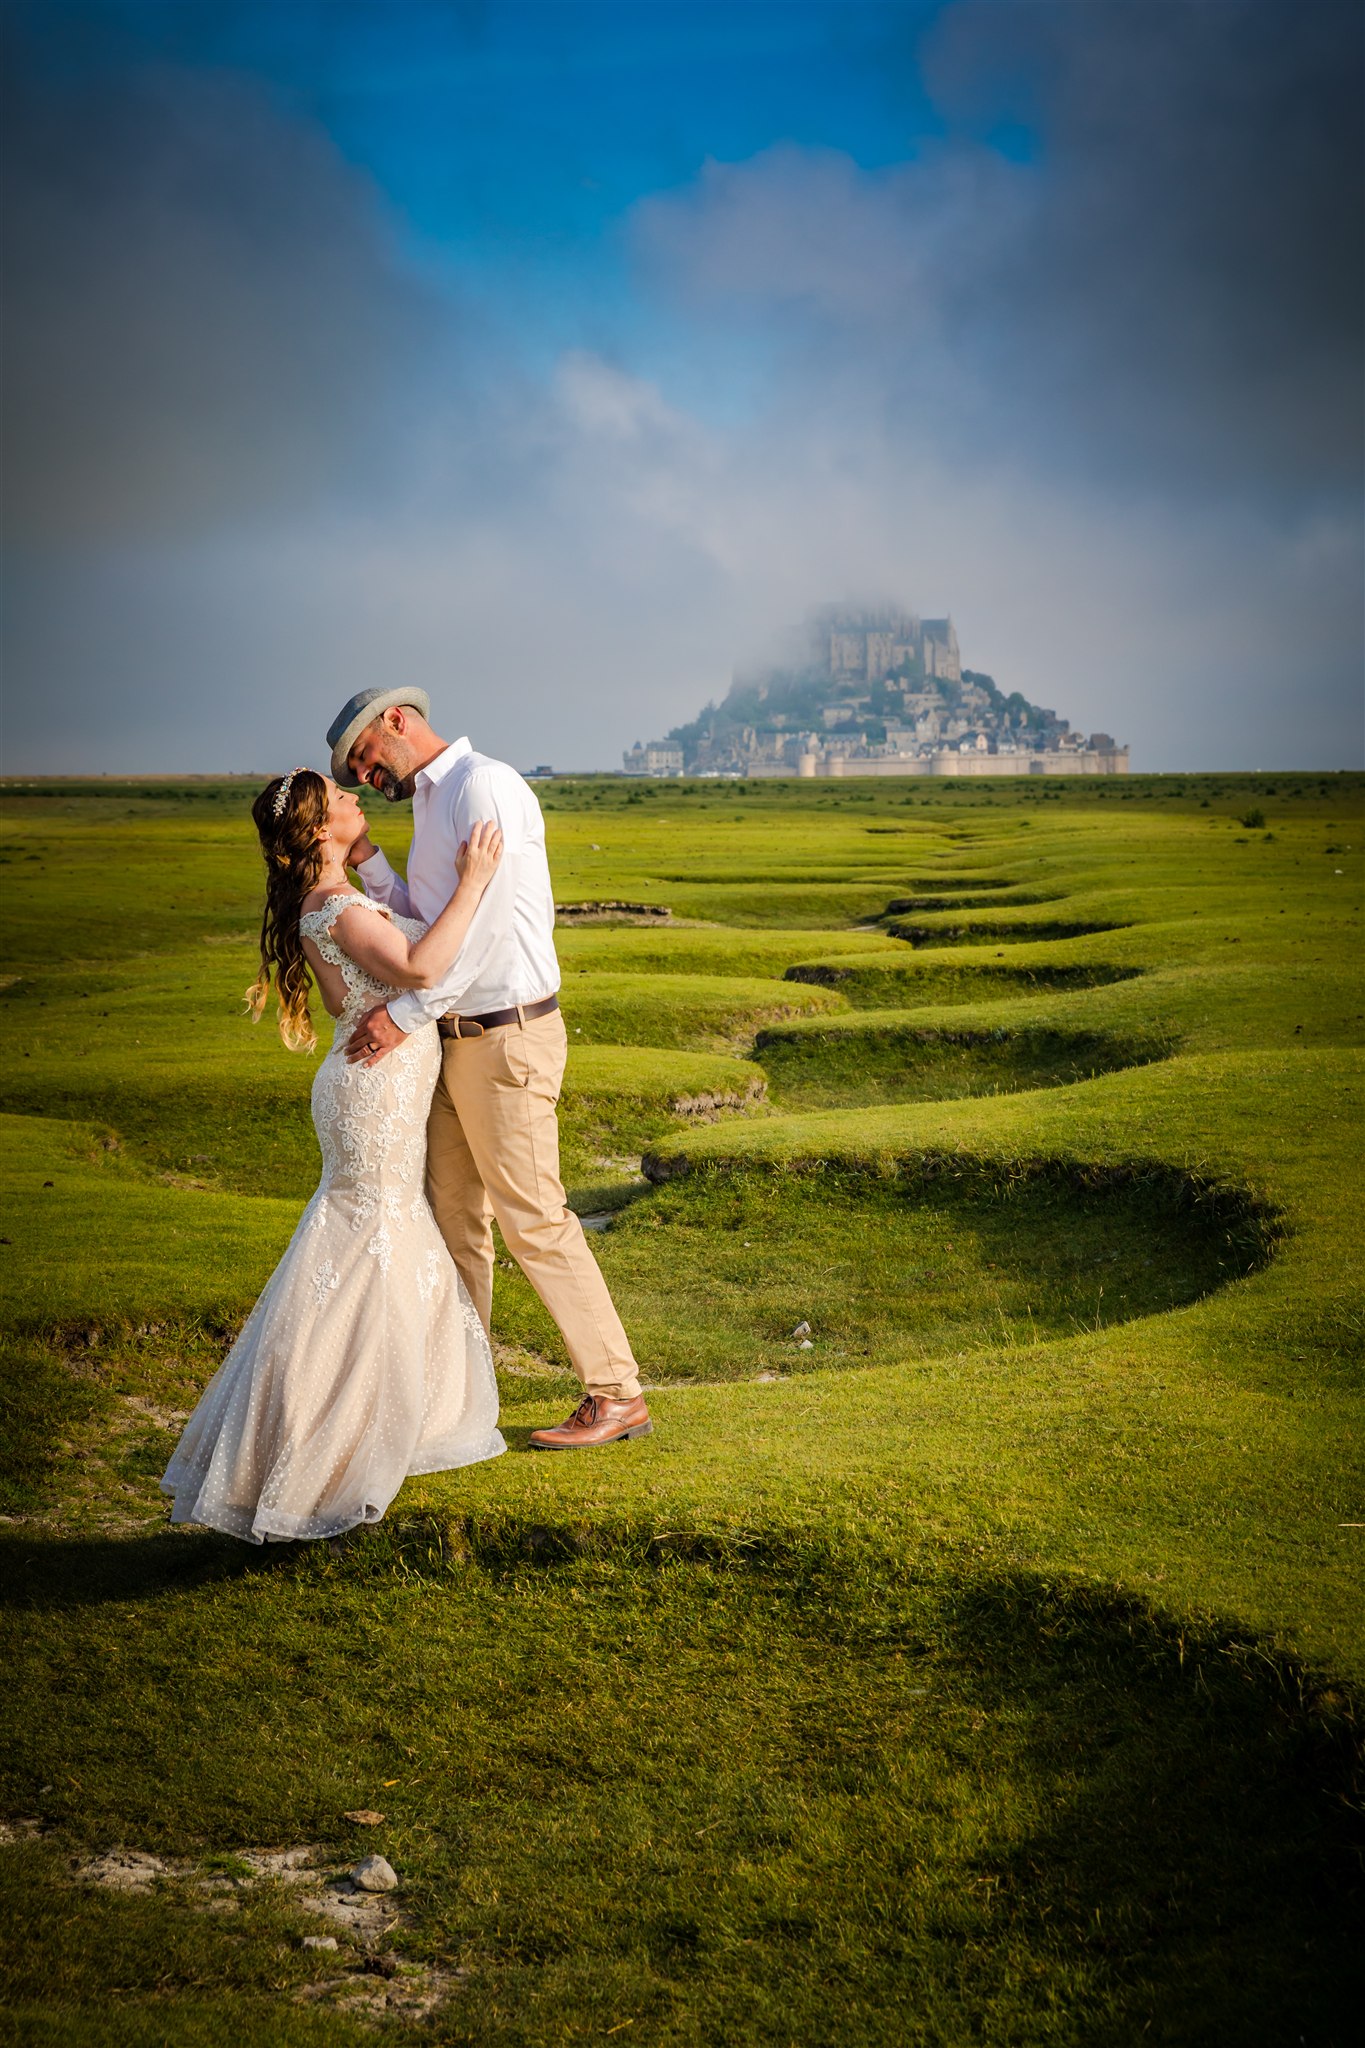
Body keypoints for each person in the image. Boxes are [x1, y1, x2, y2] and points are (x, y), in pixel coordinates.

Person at [161, 768, 508, 1543]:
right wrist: (475, 882)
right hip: (373, 1092)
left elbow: (355, 989)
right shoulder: (339, 908)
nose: (357, 799)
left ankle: (390, 1409)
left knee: (378, 1235)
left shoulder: (329, 901)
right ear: (321, 828)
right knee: (371, 1239)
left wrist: (381, 872)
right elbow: (420, 969)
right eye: (343, 797)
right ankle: (329, 1428)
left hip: (373, 1083)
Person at [325, 685, 652, 1451]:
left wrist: (402, 1016)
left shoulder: (483, 786)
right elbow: (431, 926)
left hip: (506, 1039)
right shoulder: (431, 803)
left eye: (364, 757)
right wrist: (371, 862)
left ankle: (616, 1393)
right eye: (355, 772)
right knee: (454, 1225)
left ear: (396, 720)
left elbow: (487, 929)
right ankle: (459, 1398)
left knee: (533, 1219)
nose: (365, 776)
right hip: (452, 1041)